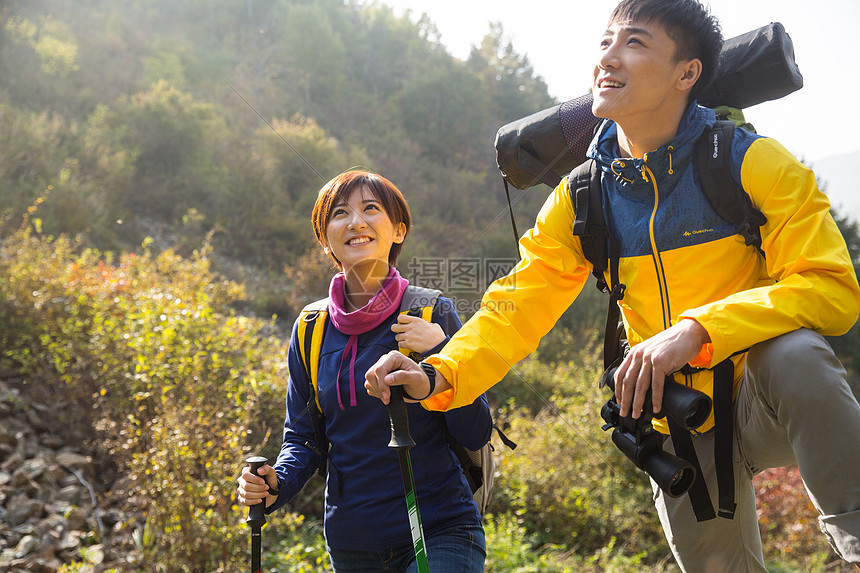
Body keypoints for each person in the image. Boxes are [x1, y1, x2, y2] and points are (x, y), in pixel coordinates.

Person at [364, 1, 860, 571]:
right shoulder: (583, 197)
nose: (608, 58)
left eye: (635, 43)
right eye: (605, 42)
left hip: (762, 399)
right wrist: (436, 375)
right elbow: (516, 307)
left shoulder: (750, 164)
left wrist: (697, 331)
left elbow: (830, 287)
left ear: (687, 73)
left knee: (797, 354)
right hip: (677, 421)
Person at [237, 170, 490, 572]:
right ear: (325, 240)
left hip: (439, 531)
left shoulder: (431, 313)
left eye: (371, 209)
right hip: (352, 544)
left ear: (399, 230)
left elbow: (476, 431)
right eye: (339, 213)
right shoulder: (310, 328)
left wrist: (441, 349)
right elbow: (303, 437)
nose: (355, 221)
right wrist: (276, 484)